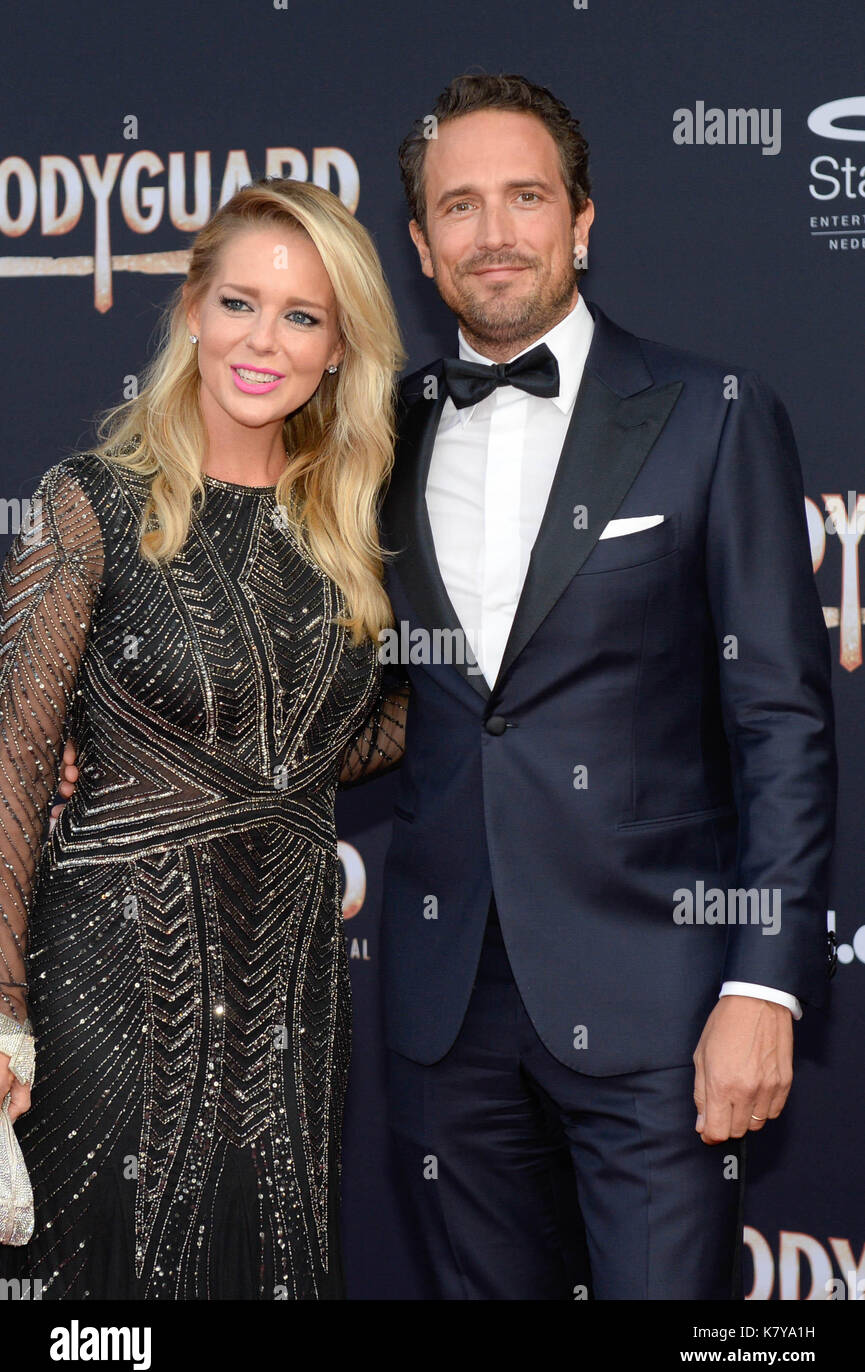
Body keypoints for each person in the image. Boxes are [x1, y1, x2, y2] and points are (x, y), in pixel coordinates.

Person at [373, 73, 836, 1299]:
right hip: (442, 1009)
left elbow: (782, 719)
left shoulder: (708, 413)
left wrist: (760, 981)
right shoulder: (375, 436)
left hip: (660, 1001)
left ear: (582, 219)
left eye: (524, 197)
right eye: (457, 206)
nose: (493, 231)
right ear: (420, 245)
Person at [0, 176, 406, 1299]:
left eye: (301, 315)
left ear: (338, 348)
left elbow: (347, 738)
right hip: (106, 993)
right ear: (190, 312)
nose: (262, 340)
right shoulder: (92, 503)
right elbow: (11, 764)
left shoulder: (354, 532)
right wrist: (1, 1015)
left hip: (292, 1004)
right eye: (239, 302)